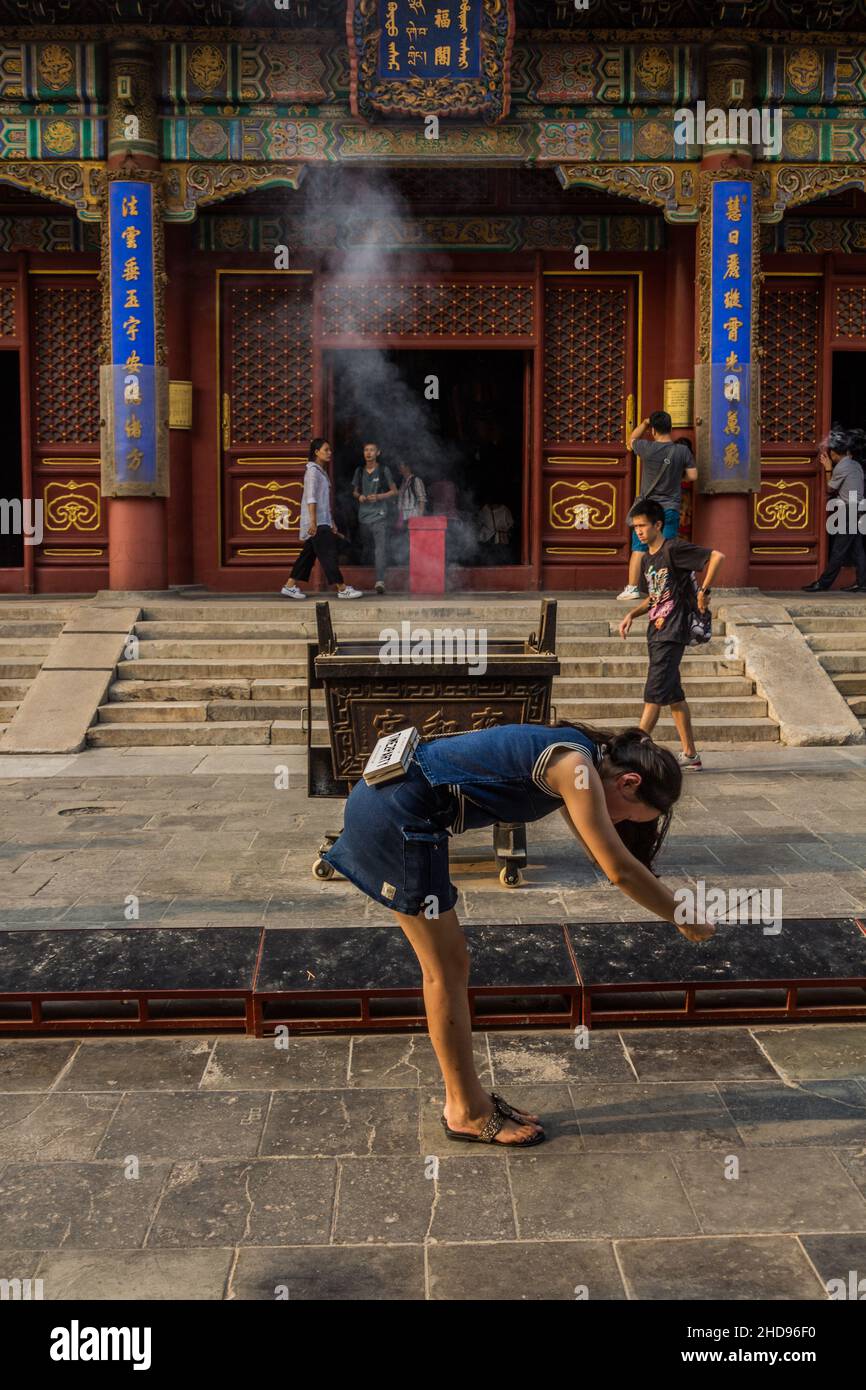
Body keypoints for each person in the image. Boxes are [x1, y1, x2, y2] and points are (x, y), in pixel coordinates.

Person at [321, 720, 714, 1149]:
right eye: (629, 815)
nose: (620, 822)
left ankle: (469, 1099)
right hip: (396, 818)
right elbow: (617, 869)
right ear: (629, 782)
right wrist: (683, 914)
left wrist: (657, 889)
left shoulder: (579, 758)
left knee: (450, 965)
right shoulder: (573, 766)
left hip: (386, 799)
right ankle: (465, 1111)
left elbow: (604, 854)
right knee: (445, 970)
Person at [619, 499, 725, 772]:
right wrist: (633, 614)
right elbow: (655, 598)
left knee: (653, 693)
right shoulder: (648, 560)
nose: (639, 531)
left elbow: (716, 557)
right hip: (656, 631)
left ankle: (631, 753)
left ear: (658, 525)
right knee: (673, 696)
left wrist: (704, 591)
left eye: (643, 525)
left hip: (672, 631)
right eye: (636, 527)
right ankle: (690, 754)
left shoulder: (674, 548)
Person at [619, 410, 698, 601]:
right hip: (669, 508)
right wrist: (678, 477)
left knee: (638, 549)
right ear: (670, 428)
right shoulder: (682, 451)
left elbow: (631, 440)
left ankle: (632, 588)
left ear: (653, 430)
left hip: (647, 509)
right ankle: (665, 589)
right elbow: (693, 476)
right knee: (666, 549)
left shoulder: (647, 447)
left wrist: (645, 423)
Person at [281, 438, 362, 600]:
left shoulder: (320, 472)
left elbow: (324, 502)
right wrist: (313, 522)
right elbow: (311, 498)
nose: (329, 453)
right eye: (326, 450)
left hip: (321, 521)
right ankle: (342, 588)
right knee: (328, 554)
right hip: (316, 522)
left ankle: (289, 586)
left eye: (330, 450)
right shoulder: (312, 472)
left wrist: (331, 521)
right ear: (316, 452)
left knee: (307, 555)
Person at [802, 425, 866, 593]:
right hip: (858, 507)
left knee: (839, 549)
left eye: (832, 455)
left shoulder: (842, 467)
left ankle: (823, 583)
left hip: (848, 509)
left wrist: (828, 468)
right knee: (857, 548)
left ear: (836, 454)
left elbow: (830, 488)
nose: (831, 457)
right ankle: (862, 583)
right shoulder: (855, 465)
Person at [353, 443, 397, 595]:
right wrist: (360, 497)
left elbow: (394, 491)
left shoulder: (384, 470)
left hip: (380, 515)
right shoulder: (359, 471)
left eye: (372, 450)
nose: (368, 453)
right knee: (367, 548)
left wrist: (379, 496)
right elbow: (354, 491)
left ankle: (380, 581)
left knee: (380, 549)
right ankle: (364, 579)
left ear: (378, 452)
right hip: (364, 516)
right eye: (366, 450)